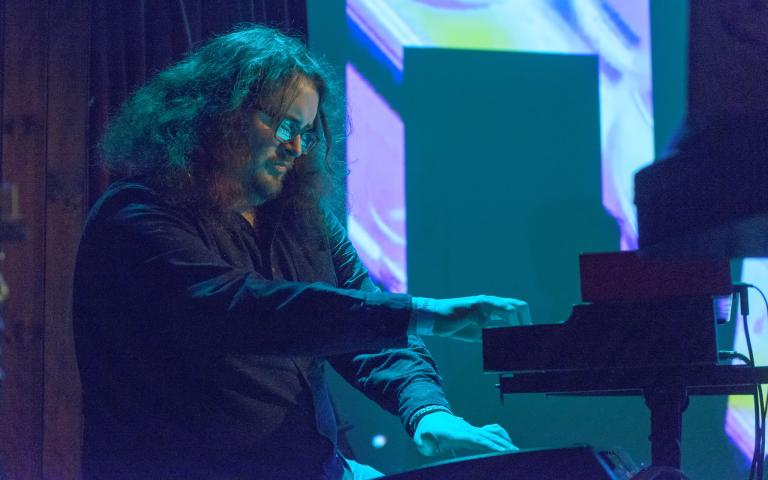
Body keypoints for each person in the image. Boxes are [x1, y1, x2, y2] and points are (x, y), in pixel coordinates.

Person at [73, 24, 531, 480]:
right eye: (282, 123)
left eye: (306, 132)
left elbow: (365, 328)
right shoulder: (134, 216)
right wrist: (423, 312)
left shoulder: (302, 219)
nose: (294, 146)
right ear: (216, 111)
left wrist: (428, 412)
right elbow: (243, 309)